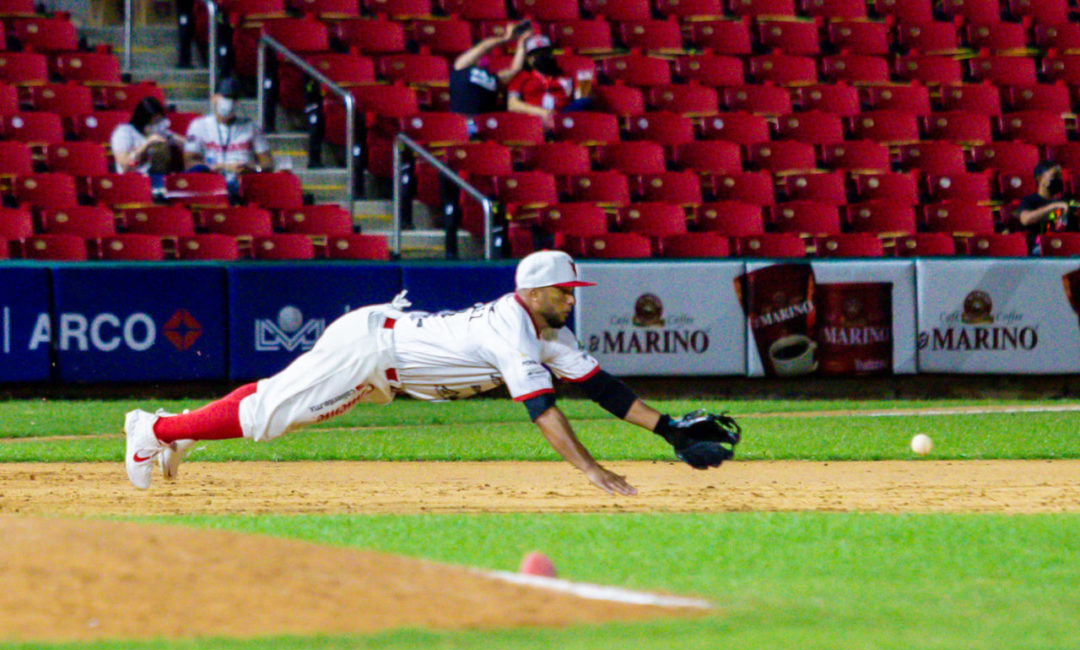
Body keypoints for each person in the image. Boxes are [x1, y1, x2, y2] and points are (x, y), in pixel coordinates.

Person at [123, 251, 738, 495]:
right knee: (267, 417)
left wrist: (670, 431)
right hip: (371, 352)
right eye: (565, 290)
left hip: (382, 364)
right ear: (535, 290)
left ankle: (174, 433)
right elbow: (542, 411)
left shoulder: (549, 330)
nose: (573, 298)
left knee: (276, 400)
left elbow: (602, 389)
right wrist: (591, 470)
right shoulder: (513, 331)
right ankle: (154, 429)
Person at [183, 78, 274, 199]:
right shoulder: (199, 125)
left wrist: (252, 169)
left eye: (233, 98)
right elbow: (189, 162)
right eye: (225, 97)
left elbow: (268, 163)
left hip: (242, 183)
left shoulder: (251, 127)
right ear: (214, 98)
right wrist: (219, 167)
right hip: (210, 182)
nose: (229, 102)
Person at [449, 20, 531, 128]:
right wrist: (505, 38)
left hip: (484, 124)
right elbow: (483, 47)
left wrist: (521, 45)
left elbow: (515, 70)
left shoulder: (492, 79)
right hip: (460, 123)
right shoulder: (461, 68)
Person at [506, 35, 593, 129]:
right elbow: (512, 104)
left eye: (545, 53)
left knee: (585, 102)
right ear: (529, 59)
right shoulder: (521, 77)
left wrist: (585, 88)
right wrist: (542, 112)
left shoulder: (567, 74)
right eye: (537, 54)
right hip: (535, 118)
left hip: (563, 117)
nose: (542, 57)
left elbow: (581, 97)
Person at [109, 97, 185, 189]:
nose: (157, 124)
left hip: (159, 176)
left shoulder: (159, 131)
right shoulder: (124, 132)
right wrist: (147, 145)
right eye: (154, 121)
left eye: (159, 121)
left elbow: (185, 143)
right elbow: (126, 166)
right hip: (134, 180)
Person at [1017, 161, 1071, 251]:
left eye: (1060, 176)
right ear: (1040, 179)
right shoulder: (1029, 201)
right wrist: (1053, 206)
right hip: (1038, 248)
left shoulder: (1065, 202)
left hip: (1064, 246)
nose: (1058, 180)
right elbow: (1025, 219)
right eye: (1054, 176)